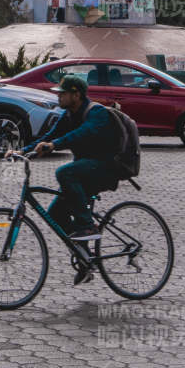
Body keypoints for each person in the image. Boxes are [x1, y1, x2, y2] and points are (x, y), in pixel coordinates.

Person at [27, 73, 122, 284]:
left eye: (62, 94)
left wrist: (56, 145)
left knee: (64, 172)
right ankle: (84, 256)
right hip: (84, 172)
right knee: (54, 215)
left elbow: (82, 133)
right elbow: (48, 136)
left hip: (104, 169)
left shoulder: (95, 112)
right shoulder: (68, 114)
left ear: (76, 95)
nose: (58, 97)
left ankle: (87, 225)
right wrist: (22, 152)